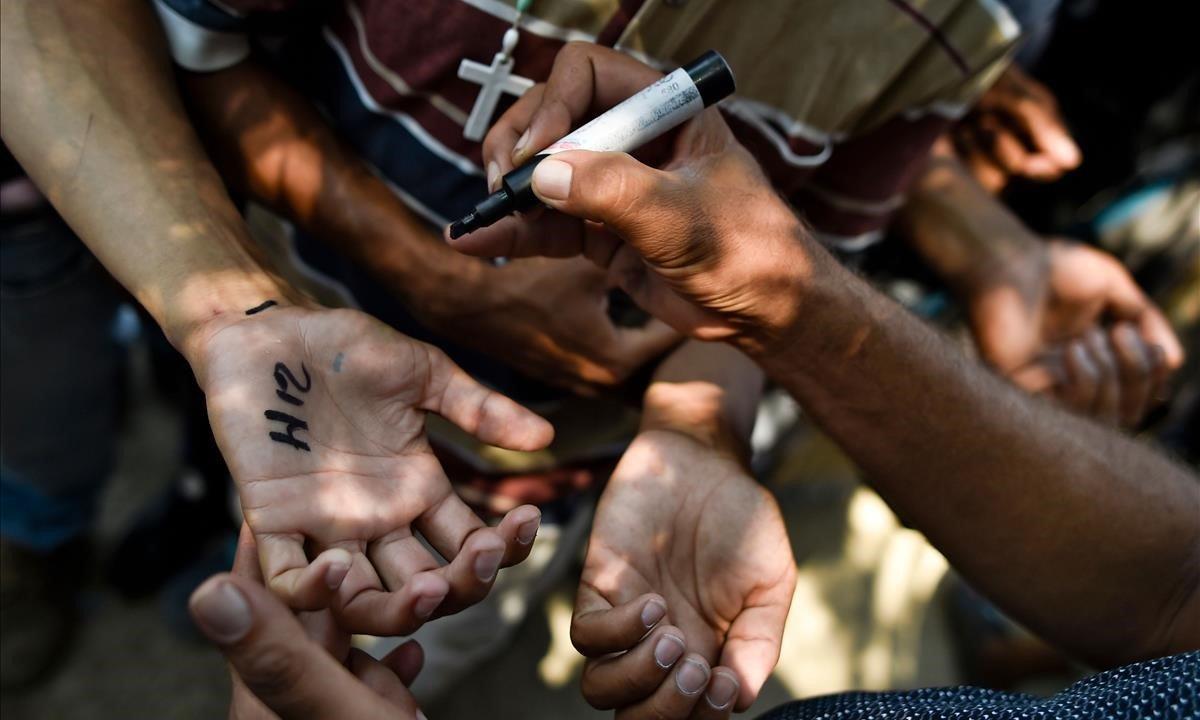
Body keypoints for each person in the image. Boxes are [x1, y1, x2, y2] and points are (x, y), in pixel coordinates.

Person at [189, 43, 1199, 719]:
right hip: (304, 391)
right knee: (280, 556)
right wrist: (404, 269)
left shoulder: (933, 34)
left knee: (411, 626)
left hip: (550, 483)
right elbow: (190, 52)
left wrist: (694, 429)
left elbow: (769, 278)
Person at [1, 0, 552, 648]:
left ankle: (193, 514)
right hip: (246, 245)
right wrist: (236, 315)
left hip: (508, 435)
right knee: (123, 403)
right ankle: (106, 522)